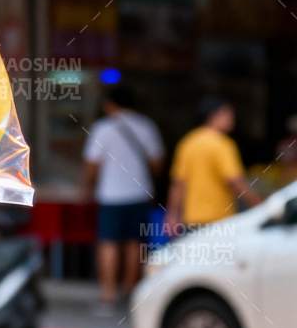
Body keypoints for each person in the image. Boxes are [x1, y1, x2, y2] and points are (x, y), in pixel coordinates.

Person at [81, 86, 164, 312]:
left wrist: (87, 188)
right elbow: (157, 165)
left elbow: (92, 164)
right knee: (135, 243)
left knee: (108, 243)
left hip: (110, 195)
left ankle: (108, 295)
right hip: (139, 193)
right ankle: (130, 291)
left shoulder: (102, 128)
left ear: (110, 104)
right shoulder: (146, 126)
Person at [168, 97, 263, 233]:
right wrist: (259, 205)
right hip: (219, 220)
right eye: (228, 114)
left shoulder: (188, 142)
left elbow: (178, 183)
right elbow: (235, 181)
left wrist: (172, 215)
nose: (232, 119)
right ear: (214, 115)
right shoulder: (222, 144)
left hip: (191, 219)